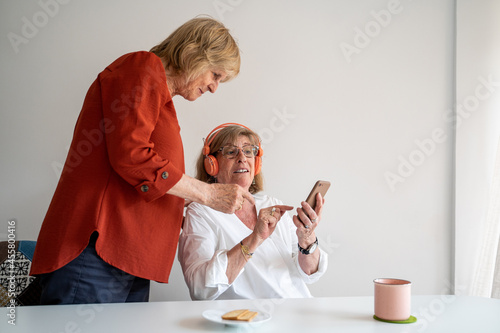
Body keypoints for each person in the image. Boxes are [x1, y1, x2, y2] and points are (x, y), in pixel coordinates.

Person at [30, 17, 253, 305]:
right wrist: (207, 193)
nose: (214, 88)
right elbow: (131, 154)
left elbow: (146, 177)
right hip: (99, 250)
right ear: (195, 54)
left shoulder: (162, 99)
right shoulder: (142, 66)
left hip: (128, 257)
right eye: (215, 75)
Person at [178, 123, 328, 300]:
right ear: (212, 165)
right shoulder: (201, 212)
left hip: (296, 311)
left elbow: (308, 273)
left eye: (249, 151)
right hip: (248, 319)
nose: (242, 157)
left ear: (256, 164)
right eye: (231, 151)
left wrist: (307, 240)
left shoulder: (272, 204)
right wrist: (255, 238)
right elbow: (199, 288)